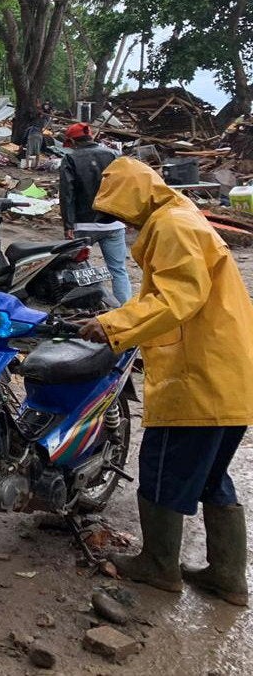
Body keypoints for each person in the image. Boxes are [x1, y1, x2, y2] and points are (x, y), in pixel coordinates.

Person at [78, 157, 253, 607]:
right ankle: (228, 578)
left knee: (160, 471)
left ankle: (159, 568)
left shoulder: (172, 225)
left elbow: (176, 297)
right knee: (213, 477)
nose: (122, 219)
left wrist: (113, 325)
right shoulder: (183, 216)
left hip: (198, 376)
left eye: (119, 208)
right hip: (229, 377)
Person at [58, 122, 131, 304]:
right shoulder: (113, 154)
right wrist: (127, 217)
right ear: (92, 137)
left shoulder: (71, 159)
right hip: (114, 223)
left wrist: (68, 225)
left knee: (82, 270)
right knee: (119, 270)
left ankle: (93, 306)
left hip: (83, 225)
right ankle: (124, 309)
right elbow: (125, 188)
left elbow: (67, 193)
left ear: (72, 142)